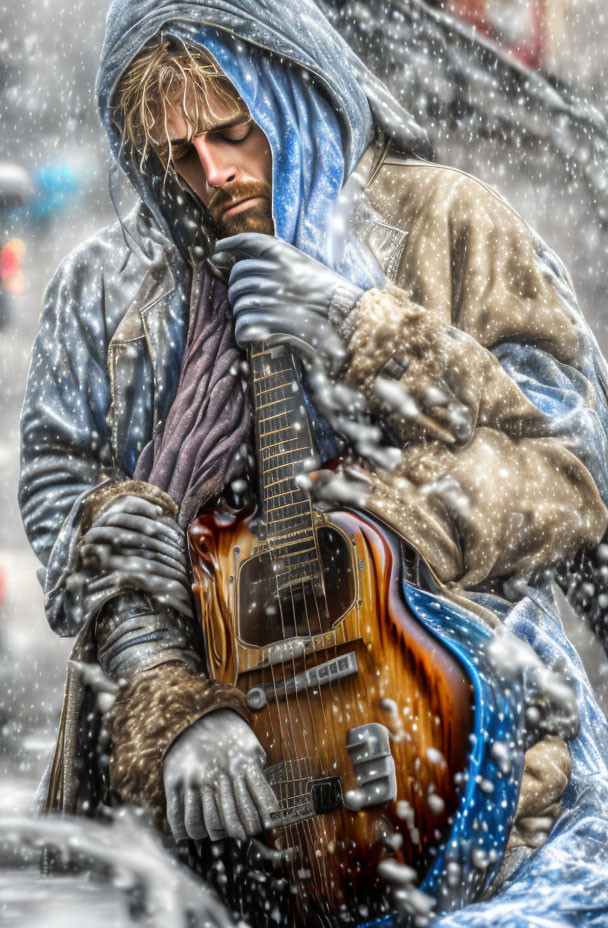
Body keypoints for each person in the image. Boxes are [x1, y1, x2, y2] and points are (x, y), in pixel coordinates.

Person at [18, 0, 608, 925]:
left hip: (462, 747)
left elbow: (569, 467)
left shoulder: (448, 222)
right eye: (176, 155)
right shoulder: (106, 287)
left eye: (232, 131)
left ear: (291, 89)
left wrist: (359, 333)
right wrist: (167, 700)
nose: (212, 176)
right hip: (195, 809)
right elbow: (66, 479)